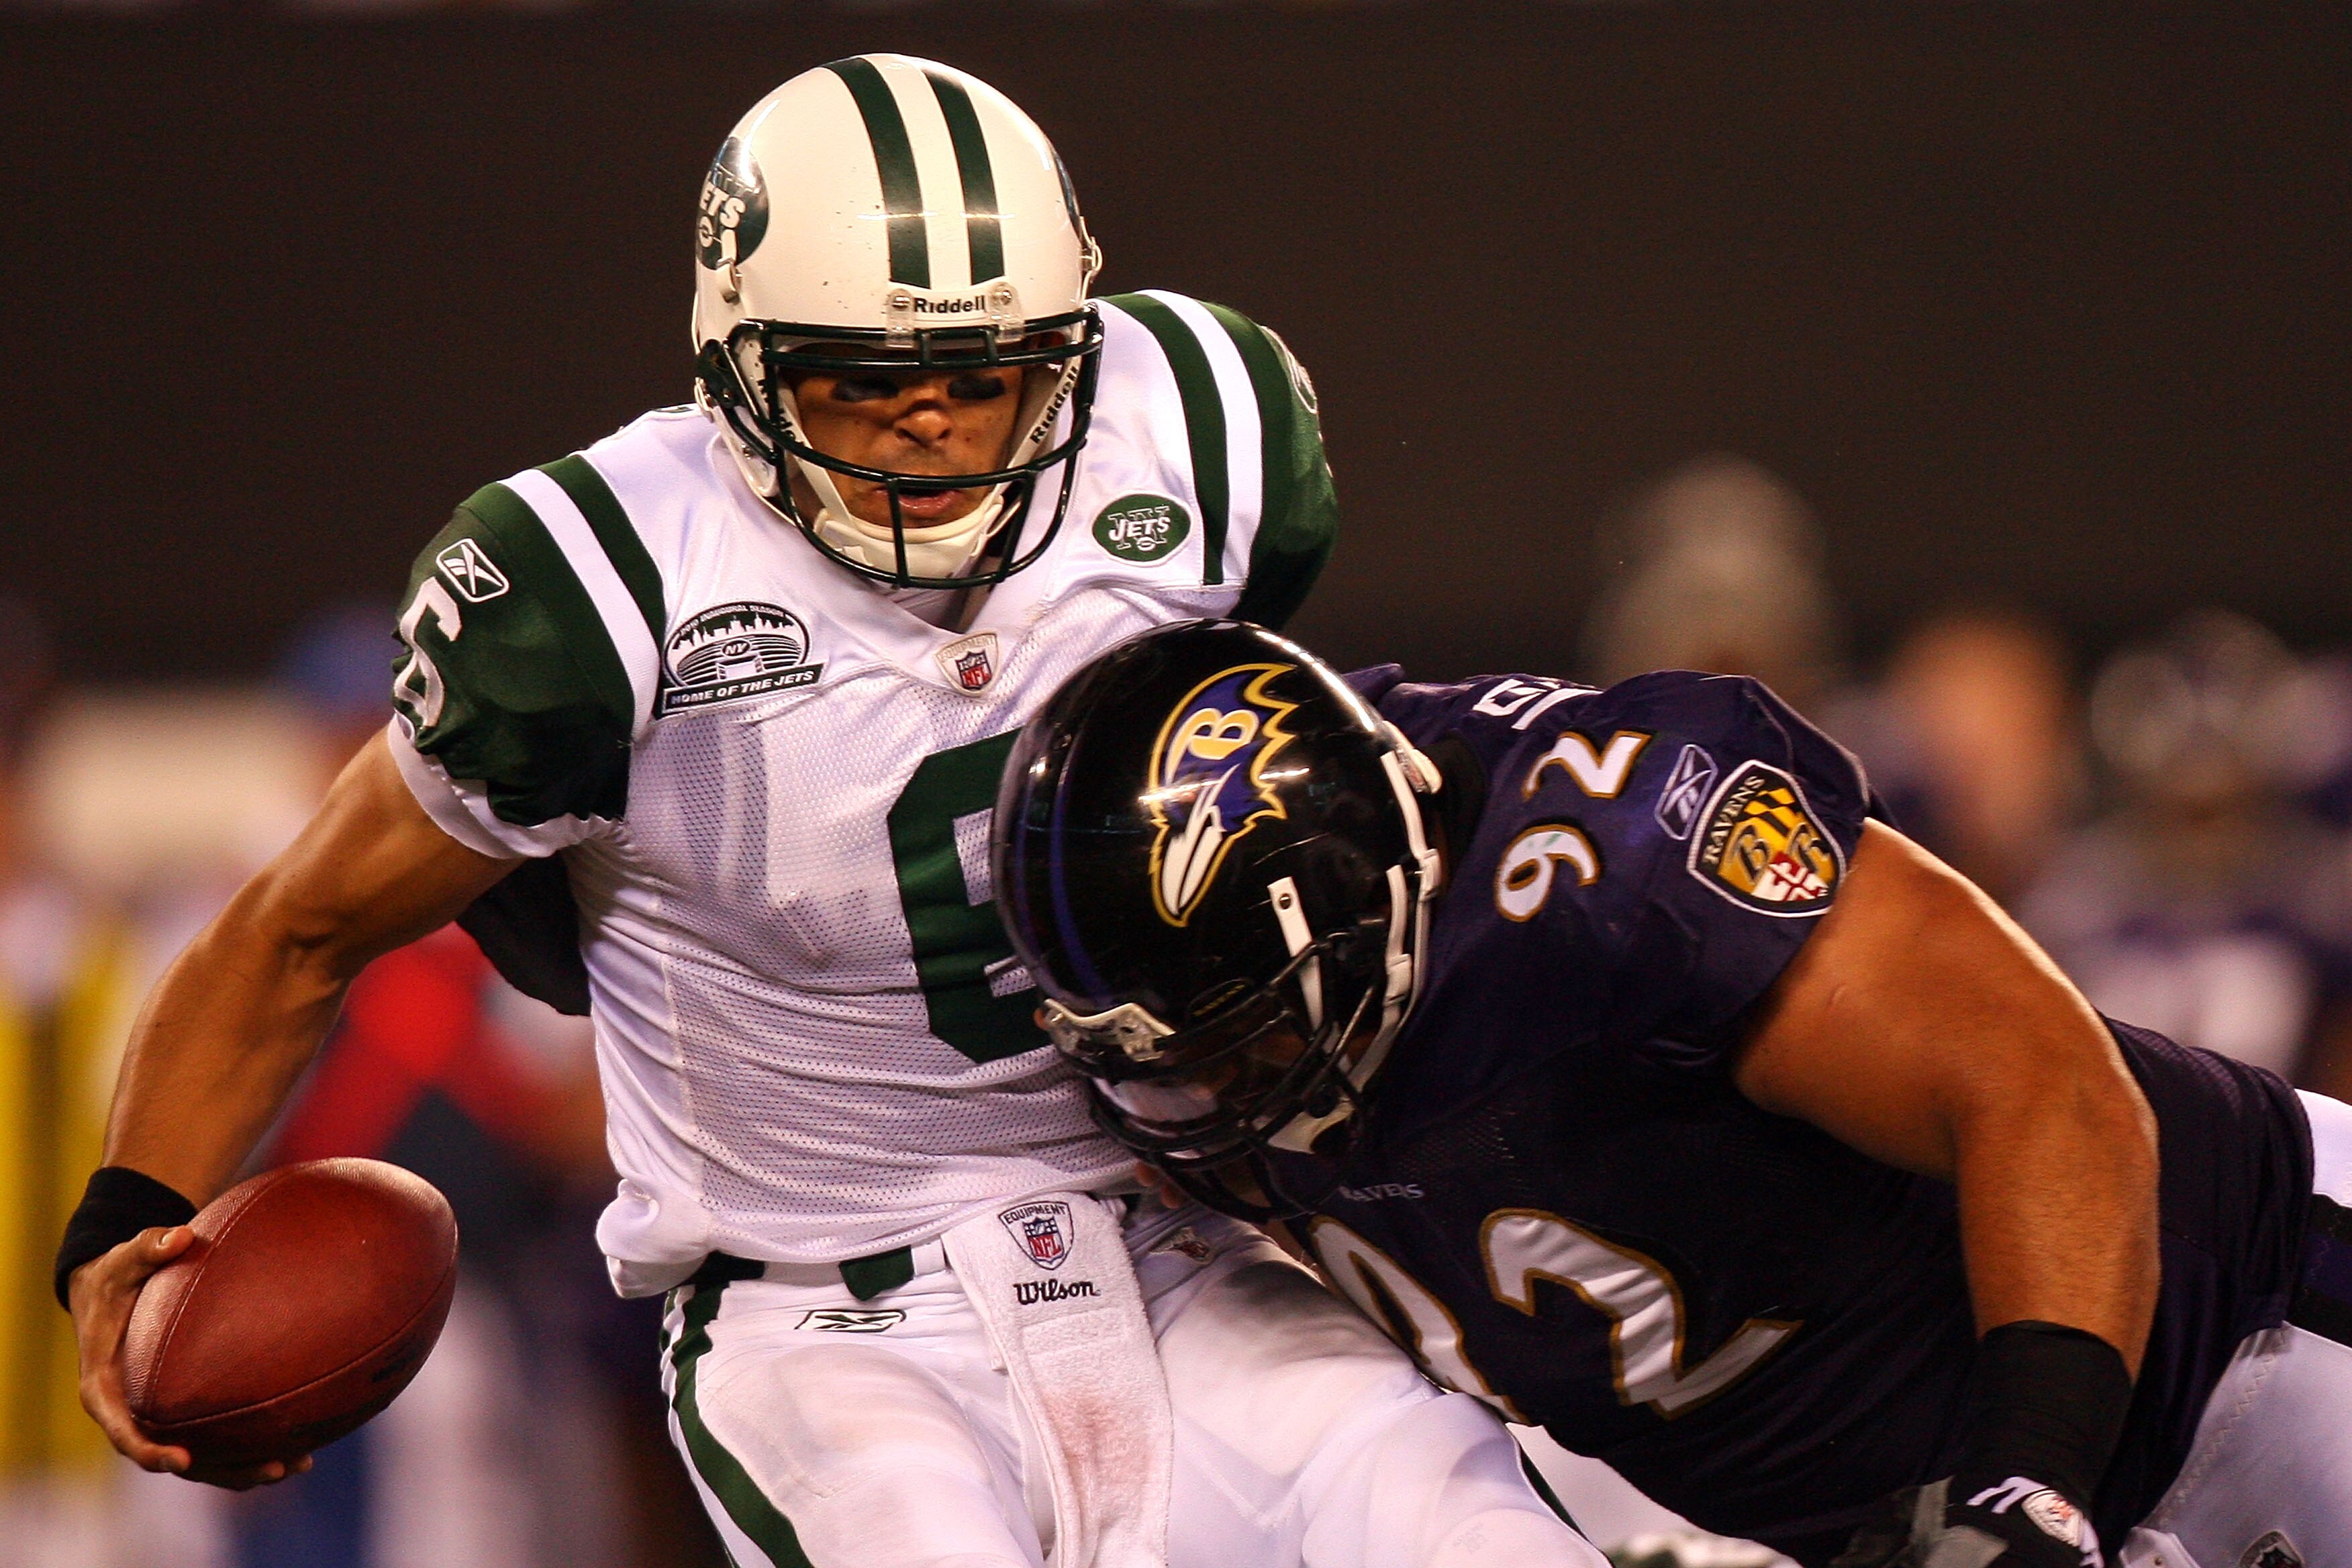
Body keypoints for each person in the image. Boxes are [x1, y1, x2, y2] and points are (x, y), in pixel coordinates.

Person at [54, 55, 1601, 1568]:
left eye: (980, 379)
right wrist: (122, 1224)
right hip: (830, 1322)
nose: (929, 426)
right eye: (863, 387)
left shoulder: (1197, 432)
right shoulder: (610, 581)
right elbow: (302, 927)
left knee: (1482, 1530)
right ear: (740, 365)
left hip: (1193, 1249)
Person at [993, 619, 2352, 1568]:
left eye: (1243, 1037)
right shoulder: (1198, 1055)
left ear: (1368, 897)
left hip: (2257, 1331)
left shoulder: (1607, 858)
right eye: (1173, 1056)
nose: (1213, 1095)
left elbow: (2041, 1083)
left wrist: (2031, 1479)